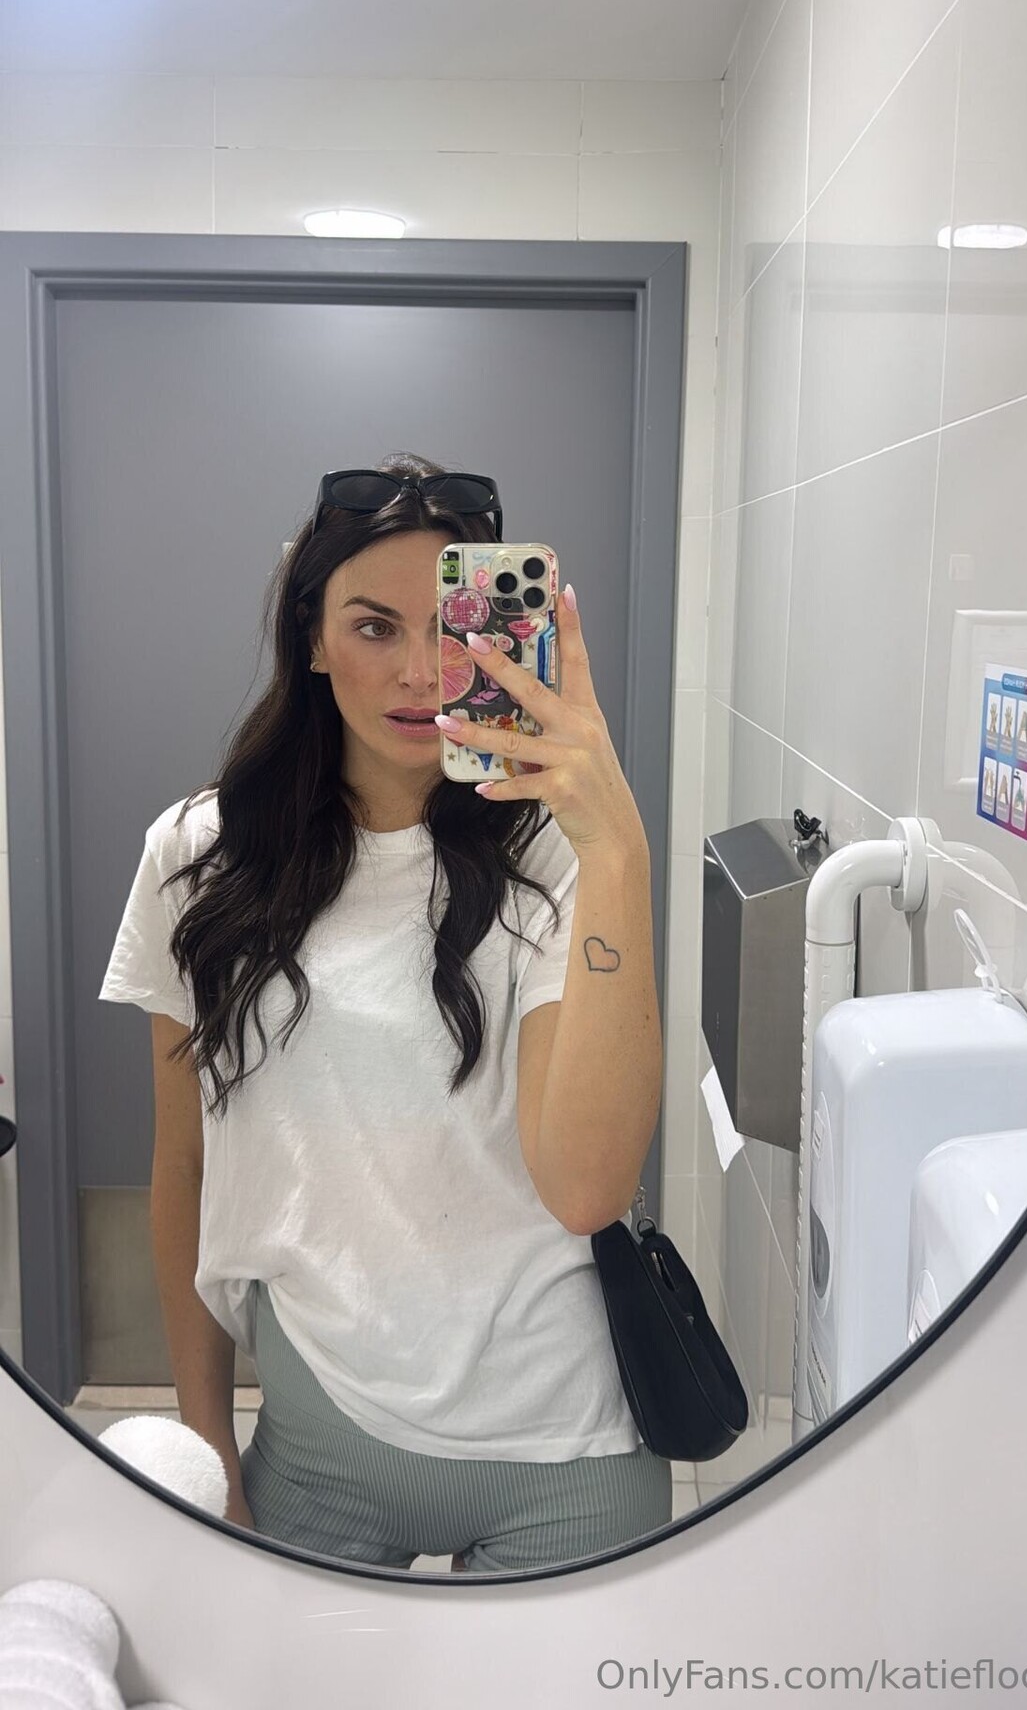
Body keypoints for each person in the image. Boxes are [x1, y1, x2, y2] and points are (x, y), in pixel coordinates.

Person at [99, 453, 671, 1573]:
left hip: (568, 1448)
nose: (420, 672)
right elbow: (186, 1170)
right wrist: (208, 1448)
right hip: (321, 1442)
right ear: (312, 638)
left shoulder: (557, 851)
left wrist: (619, 850)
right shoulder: (199, 858)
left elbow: (588, 1187)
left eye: (454, 629)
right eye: (374, 626)